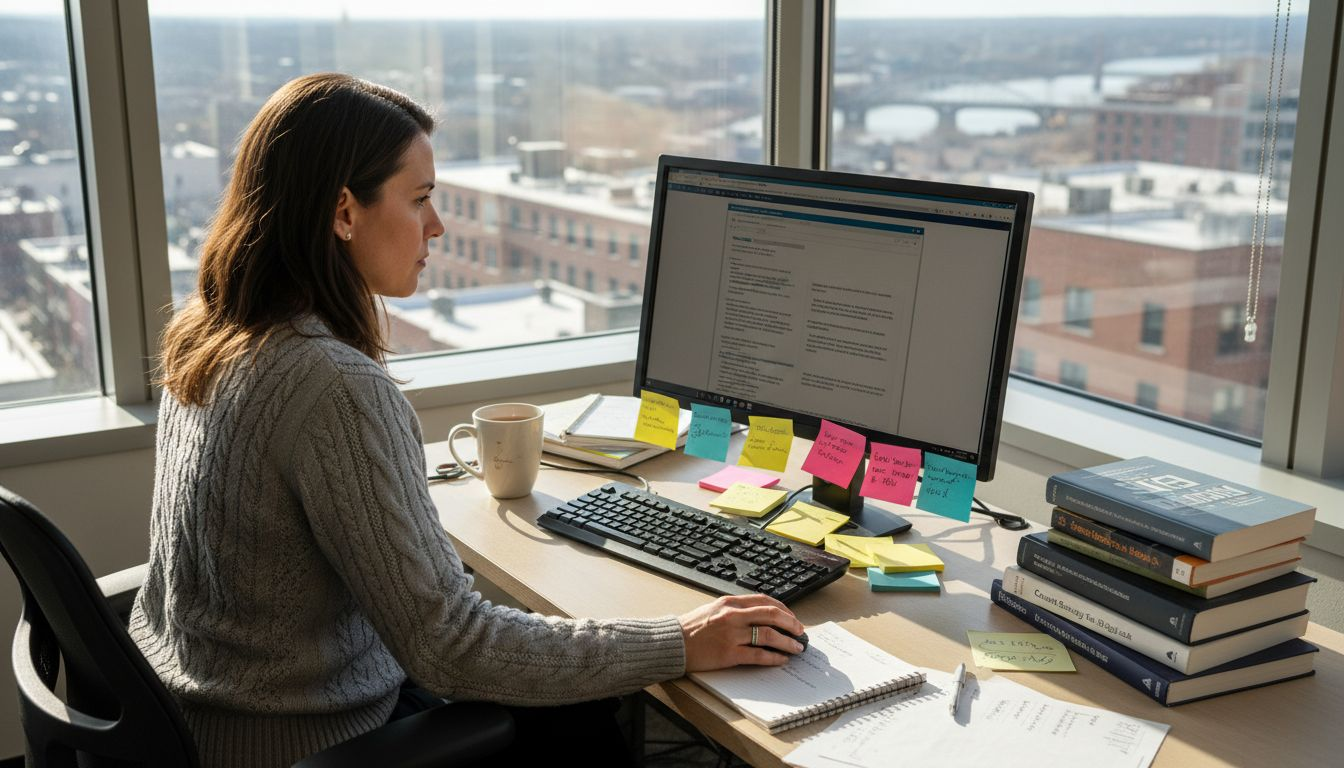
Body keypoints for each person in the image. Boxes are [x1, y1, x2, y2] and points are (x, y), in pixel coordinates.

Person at [128, 72, 805, 768]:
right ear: (343, 211)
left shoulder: (210, 330)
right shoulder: (332, 383)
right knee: (585, 718)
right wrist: (682, 641)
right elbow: (451, 650)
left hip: (200, 720)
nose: (437, 225)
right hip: (309, 744)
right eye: (419, 199)